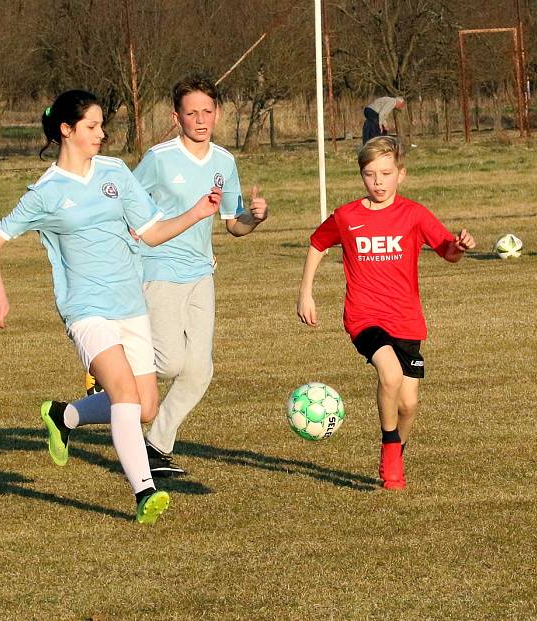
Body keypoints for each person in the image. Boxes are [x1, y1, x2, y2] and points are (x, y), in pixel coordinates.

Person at [0, 90, 221, 523]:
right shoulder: (45, 192)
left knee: (145, 407)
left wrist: (197, 213)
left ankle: (65, 414)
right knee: (125, 395)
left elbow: (149, 232)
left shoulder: (115, 173)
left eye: (101, 125)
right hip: (86, 310)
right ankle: (144, 492)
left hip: (130, 305)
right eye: (92, 127)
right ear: (66, 131)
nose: (102, 134)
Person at [296, 136, 474, 490]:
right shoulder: (347, 216)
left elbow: (447, 252)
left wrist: (459, 246)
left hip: (406, 319)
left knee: (408, 404)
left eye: (386, 173)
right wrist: (306, 293)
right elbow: (317, 243)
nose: (378, 182)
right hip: (364, 317)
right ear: (362, 176)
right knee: (389, 374)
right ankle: (390, 452)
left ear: (401, 174)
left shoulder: (414, 215)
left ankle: (396, 446)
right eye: (370, 174)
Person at [132, 73, 269, 477]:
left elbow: (233, 224)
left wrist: (256, 218)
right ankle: (111, 370)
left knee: (200, 370)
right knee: (171, 363)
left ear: (218, 113)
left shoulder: (224, 162)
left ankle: (156, 444)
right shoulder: (158, 159)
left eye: (206, 111)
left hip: (200, 275)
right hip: (158, 269)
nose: (200, 119)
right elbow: (127, 207)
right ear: (176, 117)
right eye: (190, 112)